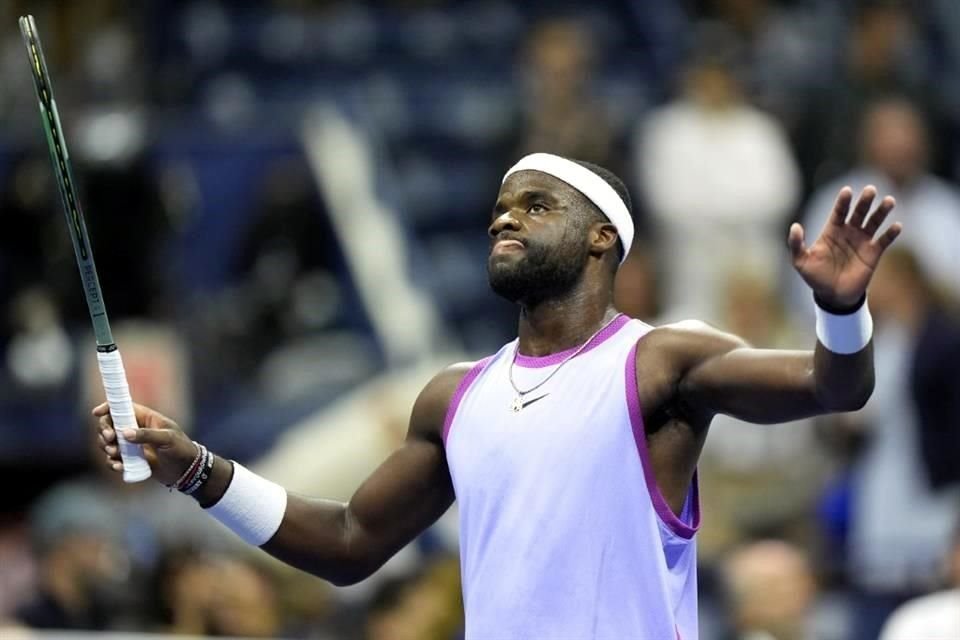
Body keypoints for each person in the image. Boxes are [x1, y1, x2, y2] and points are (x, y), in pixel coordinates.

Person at [95, 153, 901, 639]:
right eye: (500, 208)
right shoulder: (453, 399)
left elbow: (833, 385)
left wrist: (840, 309)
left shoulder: (662, 361)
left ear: (601, 238)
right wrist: (197, 469)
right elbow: (346, 542)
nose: (503, 219)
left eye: (535, 205)